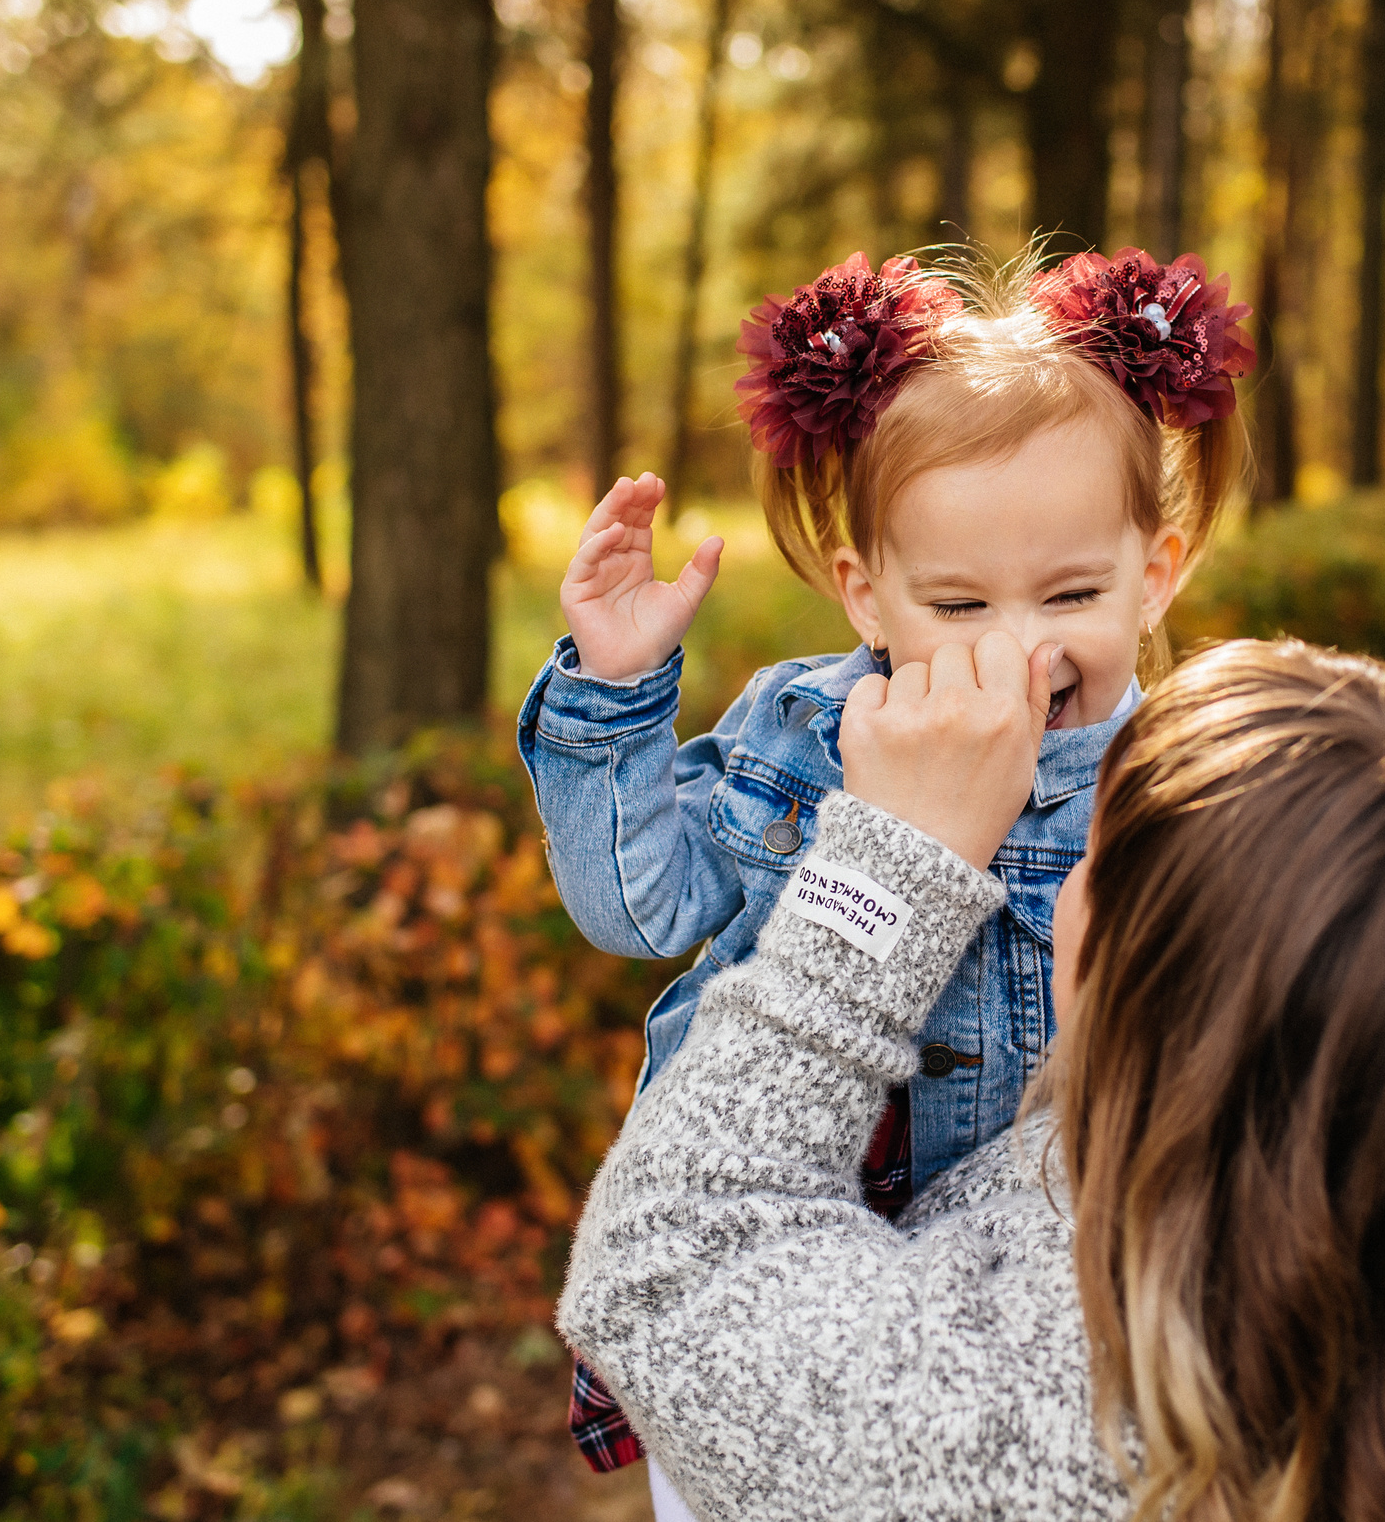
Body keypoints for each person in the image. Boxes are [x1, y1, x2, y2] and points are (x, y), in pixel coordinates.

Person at [559, 634, 1385, 1522]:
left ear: (1165, 1003)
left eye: (1095, 859)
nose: (1054, 876)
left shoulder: (1023, 1428)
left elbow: (669, 1261)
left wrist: (896, 863)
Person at [516, 244, 1249, 1472]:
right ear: (865, 594)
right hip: (781, 1283)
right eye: (958, 606)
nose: (1020, 652)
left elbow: (1342, 991)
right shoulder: (802, 736)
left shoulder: (1188, 778)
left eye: (1071, 593)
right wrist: (616, 694)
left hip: (1043, 1324)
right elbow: (636, 910)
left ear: (1154, 576)